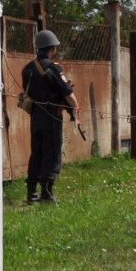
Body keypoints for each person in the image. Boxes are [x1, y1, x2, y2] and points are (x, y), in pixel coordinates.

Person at [21, 29, 79, 205]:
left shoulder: (27, 69)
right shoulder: (53, 68)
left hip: (36, 117)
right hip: (51, 117)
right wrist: (75, 109)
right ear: (52, 48)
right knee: (51, 154)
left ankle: (32, 193)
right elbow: (68, 93)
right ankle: (47, 193)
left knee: (36, 153)